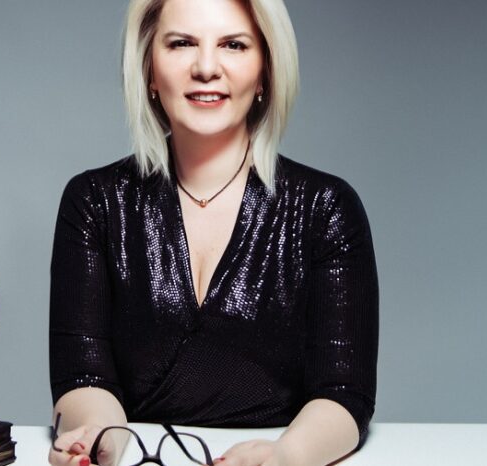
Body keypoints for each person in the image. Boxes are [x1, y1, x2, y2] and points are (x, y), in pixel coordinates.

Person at [49, 0, 378, 465]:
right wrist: (102, 440)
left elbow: (345, 394)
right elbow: (83, 377)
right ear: (148, 68)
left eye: (233, 45)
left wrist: (286, 456)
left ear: (265, 72)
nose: (206, 68)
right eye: (182, 43)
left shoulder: (325, 208)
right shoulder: (95, 203)